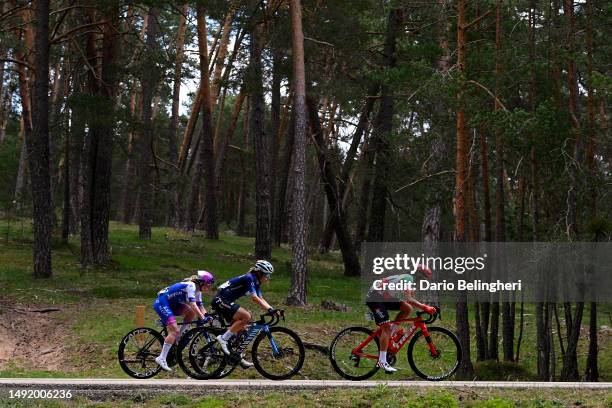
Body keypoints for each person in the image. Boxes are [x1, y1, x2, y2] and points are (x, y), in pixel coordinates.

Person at [365, 266, 436, 373]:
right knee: (386, 328)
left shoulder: (409, 281)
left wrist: (422, 305)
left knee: (407, 308)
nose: (423, 282)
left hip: (384, 298)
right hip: (375, 297)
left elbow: (409, 299)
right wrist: (425, 307)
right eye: (423, 279)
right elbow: (408, 298)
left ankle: (391, 333)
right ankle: (382, 361)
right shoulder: (408, 278)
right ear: (419, 275)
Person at [211, 260, 277, 368]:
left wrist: (272, 309)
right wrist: (269, 310)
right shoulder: (249, 278)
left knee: (242, 331)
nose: (268, 278)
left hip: (226, 301)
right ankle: (223, 338)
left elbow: (261, 298)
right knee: (247, 316)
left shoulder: (256, 282)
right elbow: (254, 298)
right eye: (267, 275)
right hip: (221, 300)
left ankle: (237, 357)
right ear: (260, 273)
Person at [152, 270, 215, 371]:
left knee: (191, 313)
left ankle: (178, 337)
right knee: (174, 331)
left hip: (173, 304)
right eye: (208, 285)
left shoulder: (198, 291)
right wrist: (202, 318)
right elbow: (193, 304)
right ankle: (161, 358)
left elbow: (200, 306)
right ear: (201, 282)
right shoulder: (191, 286)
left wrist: (207, 315)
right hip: (162, 303)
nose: (209, 287)